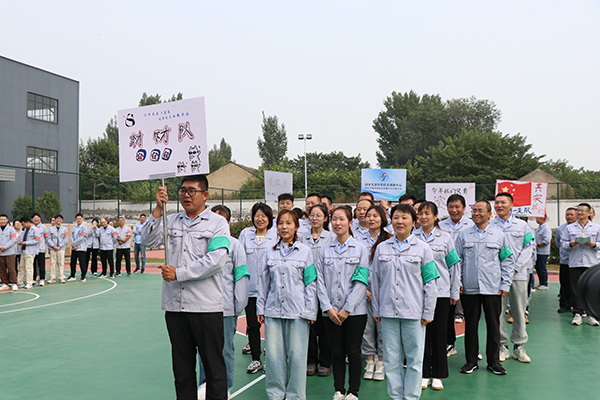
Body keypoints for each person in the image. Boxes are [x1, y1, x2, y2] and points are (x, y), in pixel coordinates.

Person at [141, 174, 230, 400]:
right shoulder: (170, 220)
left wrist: (179, 273)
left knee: (214, 369)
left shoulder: (217, 223)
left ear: (205, 195)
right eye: (182, 191)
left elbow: (216, 260)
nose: (186, 195)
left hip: (205, 308)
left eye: (192, 191)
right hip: (176, 307)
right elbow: (147, 241)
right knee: (182, 371)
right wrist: (158, 209)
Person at [371, 204, 439, 400]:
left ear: (413, 222)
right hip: (388, 311)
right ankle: (395, 396)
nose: (399, 222)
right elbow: (375, 281)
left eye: (404, 218)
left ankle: (411, 397)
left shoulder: (423, 249)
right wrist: (376, 308)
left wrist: (428, 311)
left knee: (414, 360)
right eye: (396, 218)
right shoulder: (382, 248)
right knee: (391, 360)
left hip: (414, 312)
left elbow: (430, 282)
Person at [257, 209, 318, 400]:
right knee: (274, 356)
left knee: (298, 356)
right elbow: (263, 283)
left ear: (297, 226)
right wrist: (260, 307)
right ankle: (276, 394)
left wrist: (310, 311)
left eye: (289, 223)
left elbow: (310, 283)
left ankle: (295, 395)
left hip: (298, 312)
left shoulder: (305, 252)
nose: (284, 227)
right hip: (273, 310)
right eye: (281, 223)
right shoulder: (269, 251)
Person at [455, 200, 514, 376]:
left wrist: (505, 283)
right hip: (470, 287)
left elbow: (507, 260)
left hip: (492, 288)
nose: (476, 213)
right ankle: (471, 361)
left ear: (490, 214)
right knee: (471, 325)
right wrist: (458, 282)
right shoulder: (464, 235)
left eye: (480, 210)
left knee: (493, 325)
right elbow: (456, 260)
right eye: (474, 210)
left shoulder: (499, 235)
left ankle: (493, 362)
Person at [317, 206, 369, 400]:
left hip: (355, 312)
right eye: (334, 219)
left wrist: (347, 308)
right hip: (330, 312)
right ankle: (338, 390)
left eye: (342, 219)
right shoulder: (323, 250)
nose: (337, 223)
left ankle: (353, 391)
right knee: (336, 351)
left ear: (350, 222)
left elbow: (361, 280)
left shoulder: (361, 249)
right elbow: (319, 281)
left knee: (353, 351)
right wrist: (328, 308)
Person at [197, 205, 249, 400]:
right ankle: (205, 385)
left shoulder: (235, 245)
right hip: (203, 307)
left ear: (227, 223)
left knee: (225, 349)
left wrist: (238, 307)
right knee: (204, 350)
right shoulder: (202, 243)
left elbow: (241, 276)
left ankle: (225, 387)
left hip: (226, 309)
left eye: (220, 220)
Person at [414, 202, 460, 391]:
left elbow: (453, 265)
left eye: (427, 213)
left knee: (440, 334)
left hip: (441, 292)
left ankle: (438, 375)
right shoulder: (412, 237)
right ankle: (424, 373)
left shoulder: (445, 238)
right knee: (422, 334)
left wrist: (454, 291)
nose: (423, 217)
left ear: (435, 217)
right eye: (420, 213)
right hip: (417, 293)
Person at [490, 193, 534, 364]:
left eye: (503, 202)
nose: (499, 205)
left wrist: (515, 268)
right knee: (498, 312)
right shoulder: (490, 225)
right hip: (495, 276)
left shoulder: (523, 226)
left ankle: (519, 346)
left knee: (518, 310)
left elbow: (528, 248)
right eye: (497, 202)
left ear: (511, 205)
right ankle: (503, 346)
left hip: (518, 275)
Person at [238, 203, 277, 374]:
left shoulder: (276, 236)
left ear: (270, 218)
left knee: (272, 326)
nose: (260, 219)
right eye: (257, 215)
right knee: (253, 326)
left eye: (264, 216)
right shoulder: (246, 235)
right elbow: (239, 260)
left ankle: (271, 361)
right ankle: (256, 359)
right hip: (251, 290)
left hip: (271, 291)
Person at [299, 204, 335, 377]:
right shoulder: (301, 237)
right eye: (312, 215)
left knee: (325, 326)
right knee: (309, 326)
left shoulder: (331, 237)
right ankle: (311, 361)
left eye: (319, 215)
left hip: (326, 287)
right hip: (306, 287)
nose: (315, 218)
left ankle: (326, 362)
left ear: (326, 218)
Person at [357, 205, 391, 382]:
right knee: (367, 328)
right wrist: (363, 288)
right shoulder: (358, 240)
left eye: (375, 216)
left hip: (384, 292)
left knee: (383, 329)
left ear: (383, 219)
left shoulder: (389, 239)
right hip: (364, 291)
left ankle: (382, 362)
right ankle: (369, 361)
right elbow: (355, 267)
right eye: (368, 215)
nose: (371, 219)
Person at [438, 194, 474, 357]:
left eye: (457, 206)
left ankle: (473, 350)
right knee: (448, 314)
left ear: (464, 208)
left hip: (467, 274)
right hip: (447, 275)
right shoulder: (440, 225)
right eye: (451, 207)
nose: (454, 210)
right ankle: (449, 343)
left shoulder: (471, 225)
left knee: (470, 315)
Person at [560, 203, 600, 326]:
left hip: (591, 263)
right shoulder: (569, 228)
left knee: (590, 289)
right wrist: (571, 244)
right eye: (579, 210)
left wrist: (593, 245)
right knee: (575, 288)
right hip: (575, 262)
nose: (580, 213)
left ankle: (591, 314)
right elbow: (563, 243)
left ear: (589, 213)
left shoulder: (596, 227)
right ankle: (577, 313)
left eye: (583, 210)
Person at [555, 207, 577, 313]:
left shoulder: (579, 228)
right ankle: (565, 305)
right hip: (565, 260)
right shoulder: (560, 229)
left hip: (577, 261)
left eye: (572, 214)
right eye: (567, 214)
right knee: (565, 283)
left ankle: (577, 306)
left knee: (576, 284)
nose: (569, 217)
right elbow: (558, 243)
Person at [17, 216, 41, 289]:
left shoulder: (35, 229)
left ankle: (29, 283)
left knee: (29, 267)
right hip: (23, 250)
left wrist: (25, 243)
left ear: (28, 222)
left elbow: (37, 240)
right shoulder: (25, 230)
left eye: (24, 224)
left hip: (30, 251)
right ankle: (19, 282)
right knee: (21, 267)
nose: (23, 226)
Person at [47, 214, 69, 284]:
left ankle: (61, 277)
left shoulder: (64, 229)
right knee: (52, 264)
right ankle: (52, 278)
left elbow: (65, 238)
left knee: (61, 263)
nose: (59, 220)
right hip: (53, 249)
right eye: (57, 219)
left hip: (61, 249)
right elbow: (48, 238)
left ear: (62, 220)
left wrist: (60, 246)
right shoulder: (50, 229)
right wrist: (53, 246)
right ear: (55, 220)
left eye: (60, 219)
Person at [0, 214, 18, 291]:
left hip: (9, 252)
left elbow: (13, 239)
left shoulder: (11, 229)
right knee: (2, 269)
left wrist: (5, 247)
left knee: (11, 269)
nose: (2, 221)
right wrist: (0, 247)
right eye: (1, 219)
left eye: (4, 219)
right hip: (1, 252)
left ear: (7, 220)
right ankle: (4, 283)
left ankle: (14, 283)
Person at [70, 213, 90, 282]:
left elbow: (82, 238)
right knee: (72, 262)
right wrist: (73, 245)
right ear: (75, 220)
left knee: (82, 263)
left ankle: (83, 276)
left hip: (81, 248)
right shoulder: (74, 228)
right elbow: (71, 237)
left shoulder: (85, 228)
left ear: (82, 219)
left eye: (80, 219)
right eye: (77, 219)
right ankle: (72, 275)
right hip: (74, 248)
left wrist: (74, 244)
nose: (78, 220)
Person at [534, 215, 551, 290]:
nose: (536, 219)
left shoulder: (546, 228)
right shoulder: (539, 227)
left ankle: (544, 283)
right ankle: (541, 282)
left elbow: (546, 240)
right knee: (538, 267)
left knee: (542, 268)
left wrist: (538, 245)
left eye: (538, 218)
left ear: (542, 218)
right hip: (538, 251)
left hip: (543, 252)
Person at [32, 213, 48, 286]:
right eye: (35, 218)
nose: (36, 219)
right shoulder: (31, 227)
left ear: (40, 219)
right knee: (33, 265)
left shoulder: (43, 227)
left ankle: (42, 279)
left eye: (37, 218)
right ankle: (34, 279)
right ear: (32, 219)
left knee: (41, 265)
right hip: (32, 250)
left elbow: (46, 237)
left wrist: (44, 245)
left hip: (41, 249)